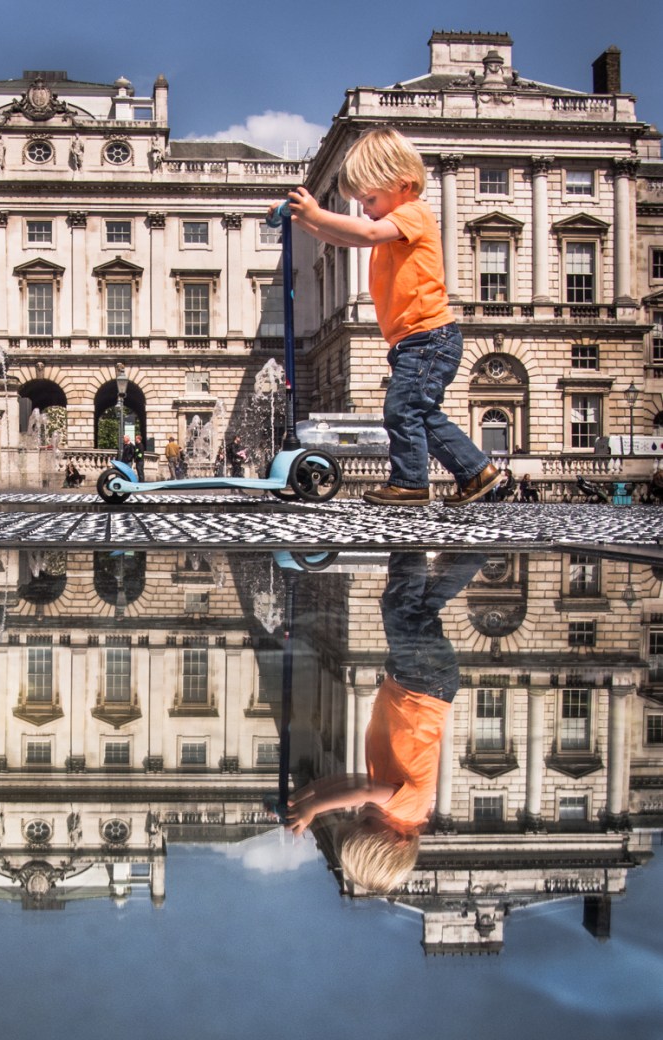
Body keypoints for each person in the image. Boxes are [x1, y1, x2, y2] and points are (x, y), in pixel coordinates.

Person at [283, 127, 500, 507]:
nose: (365, 209)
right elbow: (347, 238)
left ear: (402, 184)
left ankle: (411, 482)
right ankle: (475, 471)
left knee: (401, 410)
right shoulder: (391, 224)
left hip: (429, 335)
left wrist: (317, 213)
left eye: (369, 198)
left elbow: (364, 232)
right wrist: (304, 221)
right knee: (419, 413)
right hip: (413, 340)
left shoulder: (412, 213)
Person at [288, 551, 485, 893]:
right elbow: (362, 789)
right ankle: (410, 540)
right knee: (400, 607)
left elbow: (349, 782)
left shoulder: (397, 810)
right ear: (395, 840)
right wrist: (315, 808)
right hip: (422, 684)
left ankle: (472, 553)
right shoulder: (407, 808)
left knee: (422, 607)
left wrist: (308, 795)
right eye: (364, 820)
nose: (362, 810)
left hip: (421, 681)